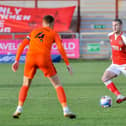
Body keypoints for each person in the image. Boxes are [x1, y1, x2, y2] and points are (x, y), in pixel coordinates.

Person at [12, 15, 76, 119]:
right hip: (43, 58)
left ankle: (19, 108)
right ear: (52, 24)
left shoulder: (33, 32)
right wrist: (67, 64)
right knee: (57, 84)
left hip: (30, 58)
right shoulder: (54, 33)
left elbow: (23, 44)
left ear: (43, 23)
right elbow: (60, 48)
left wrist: (16, 60)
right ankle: (65, 109)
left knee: (25, 84)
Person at [101, 19, 126, 103]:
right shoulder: (110, 35)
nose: (114, 27)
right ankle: (119, 95)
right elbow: (113, 46)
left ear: (121, 26)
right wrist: (113, 54)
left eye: (117, 25)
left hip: (124, 64)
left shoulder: (124, 37)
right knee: (105, 78)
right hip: (115, 64)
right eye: (113, 25)